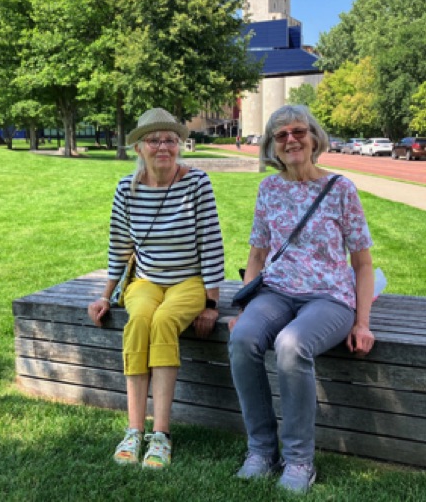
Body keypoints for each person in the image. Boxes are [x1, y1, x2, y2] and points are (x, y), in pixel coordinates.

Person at [228, 104, 375, 494]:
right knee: (242, 339)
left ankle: (298, 460)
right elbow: (258, 254)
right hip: (276, 291)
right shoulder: (269, 189)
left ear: (313, 138)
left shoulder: (341, 189)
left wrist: (362, 322)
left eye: (298, 132)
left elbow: (362, 264)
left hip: (329, 298)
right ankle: (261, 451)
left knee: (291, 345)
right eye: (281, 135)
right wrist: (244, 309)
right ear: (273, 147)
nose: (291, 140)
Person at [87, 107, 225, 470]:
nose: (163, 146)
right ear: (139, 148)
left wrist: (212, 302)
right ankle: (134, 430)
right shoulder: (125, 188)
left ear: (179, 145)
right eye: (154, 140)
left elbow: (211, 243)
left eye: (170, 139)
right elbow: (119, 246)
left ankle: (160, 434)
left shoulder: (197, 183)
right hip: (145, 280)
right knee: (140, 321)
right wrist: (105, 295)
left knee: (164, 321)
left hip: (189, 281)